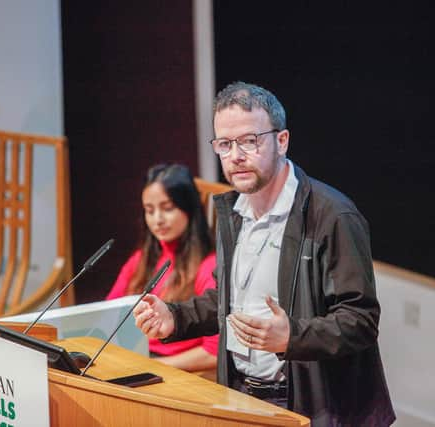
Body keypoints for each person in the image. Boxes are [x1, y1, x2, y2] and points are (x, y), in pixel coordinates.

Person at [133, 82, 395, 426]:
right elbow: (227, 302)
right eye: (225, 144)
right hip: (241, 397)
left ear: (281, 141)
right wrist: (175, 318)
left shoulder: (332, 215)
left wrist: (291, 337)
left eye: (249, 141)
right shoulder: (235, 211)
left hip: (314, 408)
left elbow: (360, 321)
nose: (236, 156)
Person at [106, 163, 218, 373]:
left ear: (189, 209)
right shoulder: (141, 259)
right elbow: (109, 315)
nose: (157, 220)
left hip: (180, 373)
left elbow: (214, 353)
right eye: (149, 211)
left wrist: (152, 367)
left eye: (168, 209)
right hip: (138, 359)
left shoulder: (209, 266)